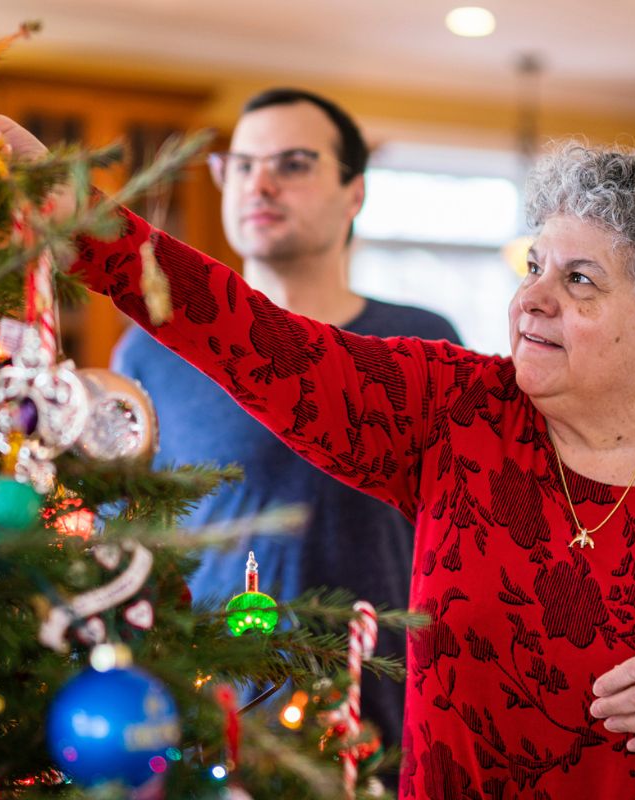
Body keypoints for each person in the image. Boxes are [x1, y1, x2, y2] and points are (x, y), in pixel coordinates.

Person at [0, 115, 635, 797]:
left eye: (578, 280)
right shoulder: (456, 409)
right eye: (534, 265)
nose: (531, 299)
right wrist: (85, 224)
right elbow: (257, 339)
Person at [109, 88, 460, 756]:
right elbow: (124, 538)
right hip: (210, 735)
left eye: (293, 164)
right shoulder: (152, 350)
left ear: (354, 192)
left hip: (387, 730)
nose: (259, 182)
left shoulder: (420, 346)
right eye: (240, 164)